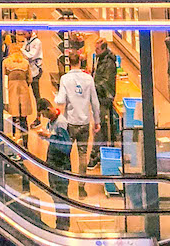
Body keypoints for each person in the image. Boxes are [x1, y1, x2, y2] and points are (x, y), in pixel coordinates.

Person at [55, 52, 99, 191]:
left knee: (66, 153)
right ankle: (81, 185)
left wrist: (56, 98)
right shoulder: (88, 79)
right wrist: (96, 121)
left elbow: (60, 100)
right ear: (80, 62)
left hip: (70, 122)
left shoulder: (65, 79)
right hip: (84, 122)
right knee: (83, 154)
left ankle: (66, 180)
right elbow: (95, 102)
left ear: (68, 62)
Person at [37, 99, 74, 230]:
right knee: (55, 195)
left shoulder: (61, 124)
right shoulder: (52, 122)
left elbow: (66, 147)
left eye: (44, 114)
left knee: (61, 196)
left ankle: (63, 226)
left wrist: (49, 136)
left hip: (61, 165)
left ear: (49, 109)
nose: (44, 117)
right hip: (53, 163)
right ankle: (60, 223)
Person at [90, 38, 119, 160]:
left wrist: (92, 86)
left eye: (97, 49)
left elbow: (106, 83)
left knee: (99, 125)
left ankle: (96, 153)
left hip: (104, 98)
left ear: (103, 49)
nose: (95, 51)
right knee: (100, 123)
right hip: (98, 96)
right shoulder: (99, 59)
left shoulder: (108, 64)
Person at [3, 41, 36, 141]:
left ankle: (12, 137)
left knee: (13, 116)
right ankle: (25, 141)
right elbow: (30, 79)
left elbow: (3, 77)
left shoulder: (6, 62)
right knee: (23, 118)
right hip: (24, 89)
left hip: (11, 89)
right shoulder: (25, 63)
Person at [22, 32, 43, 107]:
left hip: (35, 70)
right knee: (23, 93)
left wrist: (21, 50)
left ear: (30, 32)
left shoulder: (37, 42)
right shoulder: (26, 40)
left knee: (36, 94)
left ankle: (39, 116)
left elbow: (31, 55)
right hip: (28, 69)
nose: (23, 36)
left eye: (24, 34)